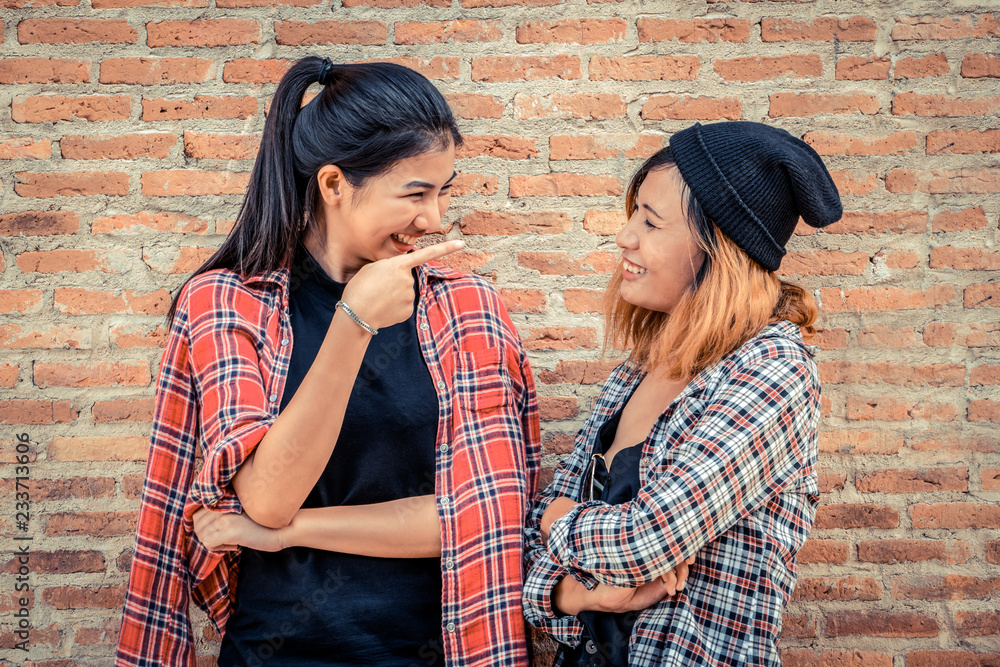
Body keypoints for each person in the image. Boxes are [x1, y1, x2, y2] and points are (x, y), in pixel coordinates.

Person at [116, 56, 540, 667]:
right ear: (335, 183)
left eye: (443, 191)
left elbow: (480, 518)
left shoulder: (466, 309)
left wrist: (290, 533)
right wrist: (354, 322)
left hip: (438, 648)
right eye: (414, 193)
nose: (435, 220)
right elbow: (266, 496)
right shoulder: (228, 304)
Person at [523, 120, 843, 666]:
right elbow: (529, 553)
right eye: (633, 213)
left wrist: (561, 520)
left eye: (650, 221)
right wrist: (582, 594)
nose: (625, 235)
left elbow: (647, 537)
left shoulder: (772, 371)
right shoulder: (639, 369)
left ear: (718, 246)